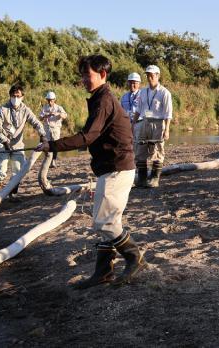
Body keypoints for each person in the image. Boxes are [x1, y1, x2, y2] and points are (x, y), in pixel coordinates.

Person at [36, 54, 143, 289]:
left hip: (117, 167)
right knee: (107, 221)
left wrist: (52, 145)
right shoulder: (98, 98)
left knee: (103, 222)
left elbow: (87, 137)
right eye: (82, 75)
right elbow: (91, 136)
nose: (84, 79)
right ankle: (103, 272)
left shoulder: (103, 100)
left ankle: (134, 256)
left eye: (88, 75)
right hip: (111, 168)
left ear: (102, 75)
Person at [0, 83, 47, 198]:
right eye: (13, 96)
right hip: (2, 144)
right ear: (10, 96)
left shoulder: (26, 110)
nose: (15, 99)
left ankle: (12, 195)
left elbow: (35, 122)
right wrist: (5, 142)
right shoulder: (2, 110)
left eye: (18, 96)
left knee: (18, 171)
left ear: (22, 97)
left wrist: (42, 134)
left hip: (18, 145)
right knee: (0, 170)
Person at [133, 65, 173, 188]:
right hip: (144, 122)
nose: (149, 77)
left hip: (158, 123)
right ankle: (142, 178)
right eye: (147, 75)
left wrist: (166, 130)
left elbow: (168, 113)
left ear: (157, 75)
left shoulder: (164, 92)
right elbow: (138, 110)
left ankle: (155, 178)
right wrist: (133, 124)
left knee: (157, 149)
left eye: (152, 75)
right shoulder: (143, 91)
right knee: (140, 149)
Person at [39, 91, 68, 168]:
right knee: (47, 144)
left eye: (51, 100)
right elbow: (40, 118)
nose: (50, 102)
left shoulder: (59, 107)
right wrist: (47, 115)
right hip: (47, 128)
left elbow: (65, 115)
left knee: (55, 144)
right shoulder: (44, 108)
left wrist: (58, 114)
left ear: (54, 99)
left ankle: (54, 161)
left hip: (56, 128)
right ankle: (47, 160)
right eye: (48, 100)